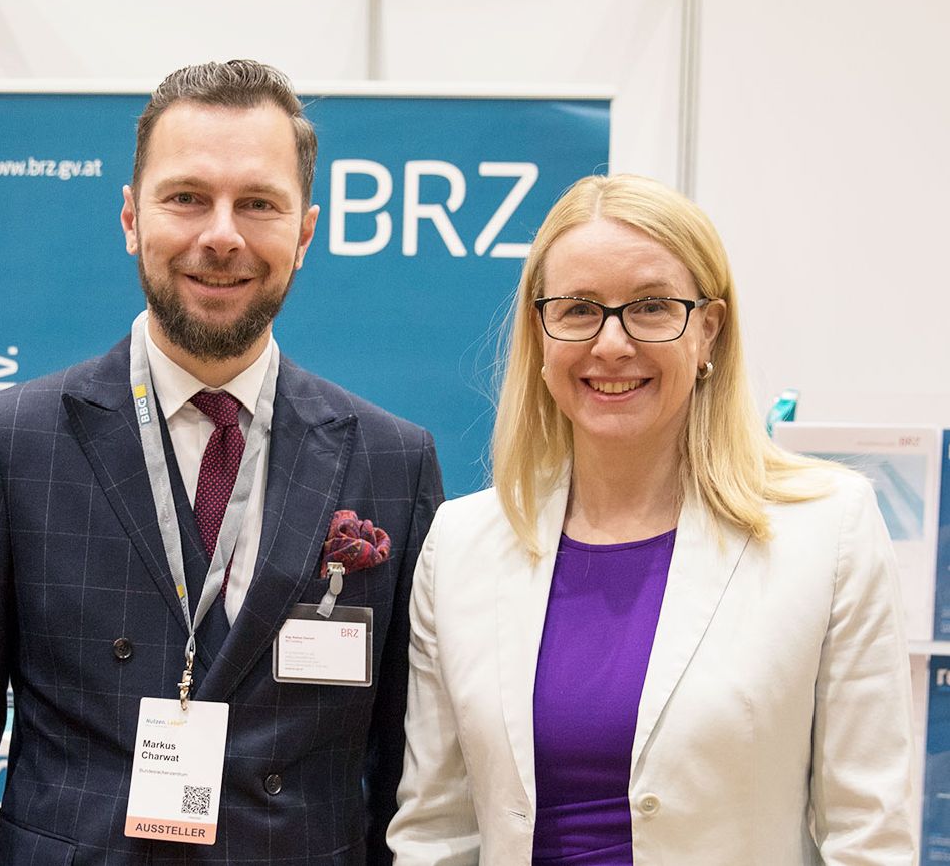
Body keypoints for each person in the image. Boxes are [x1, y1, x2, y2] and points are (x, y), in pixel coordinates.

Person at [0, 58, 444, 866]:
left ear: (304, 232)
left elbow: (406, 771)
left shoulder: (393, 459)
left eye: (259, 204)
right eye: (188, 197)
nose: (222, 234)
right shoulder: (10, 440)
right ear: (132, 218)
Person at [387, 173, 914, 864]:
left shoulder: (826, 530)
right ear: (539, 336)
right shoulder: (461, 546)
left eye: (651, 307)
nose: (611, 343)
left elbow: (868, 839)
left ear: (709, 330)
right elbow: (437, 832)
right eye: (578, 309)